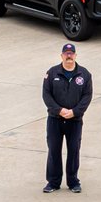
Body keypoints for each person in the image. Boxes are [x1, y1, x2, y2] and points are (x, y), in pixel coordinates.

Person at [41, 42, 93, 193]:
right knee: (54, 150)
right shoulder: (52, 73)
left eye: (71, 53)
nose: (69, 56)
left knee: (74, 151)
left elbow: (87, 96)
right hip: (55, 119)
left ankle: (73, 182)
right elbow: (46, 95)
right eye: (66, 53)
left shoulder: (85, 74)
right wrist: (59, 110)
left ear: (75, 55)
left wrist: (75, 112)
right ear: (62, 56)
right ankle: (53, 182)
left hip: (74, 120)